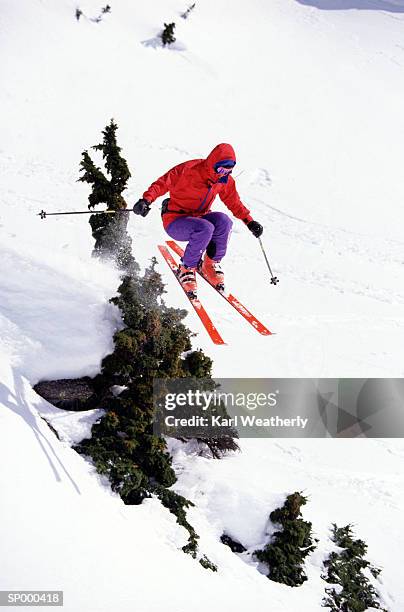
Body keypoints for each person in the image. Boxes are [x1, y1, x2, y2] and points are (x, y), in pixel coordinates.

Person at [133, 143, 263, 298]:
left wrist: (249, 222)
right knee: (205, 228)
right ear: (213, 163)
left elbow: (234, 203)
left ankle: (210, 264)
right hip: (175, 220)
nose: (224, 173)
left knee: (224, 221)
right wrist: (146, 200)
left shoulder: (224, 181)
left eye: (229, 170)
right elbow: (162, 183)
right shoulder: (189, 170)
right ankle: (186, 268)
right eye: (221, 169)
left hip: (199, 218)